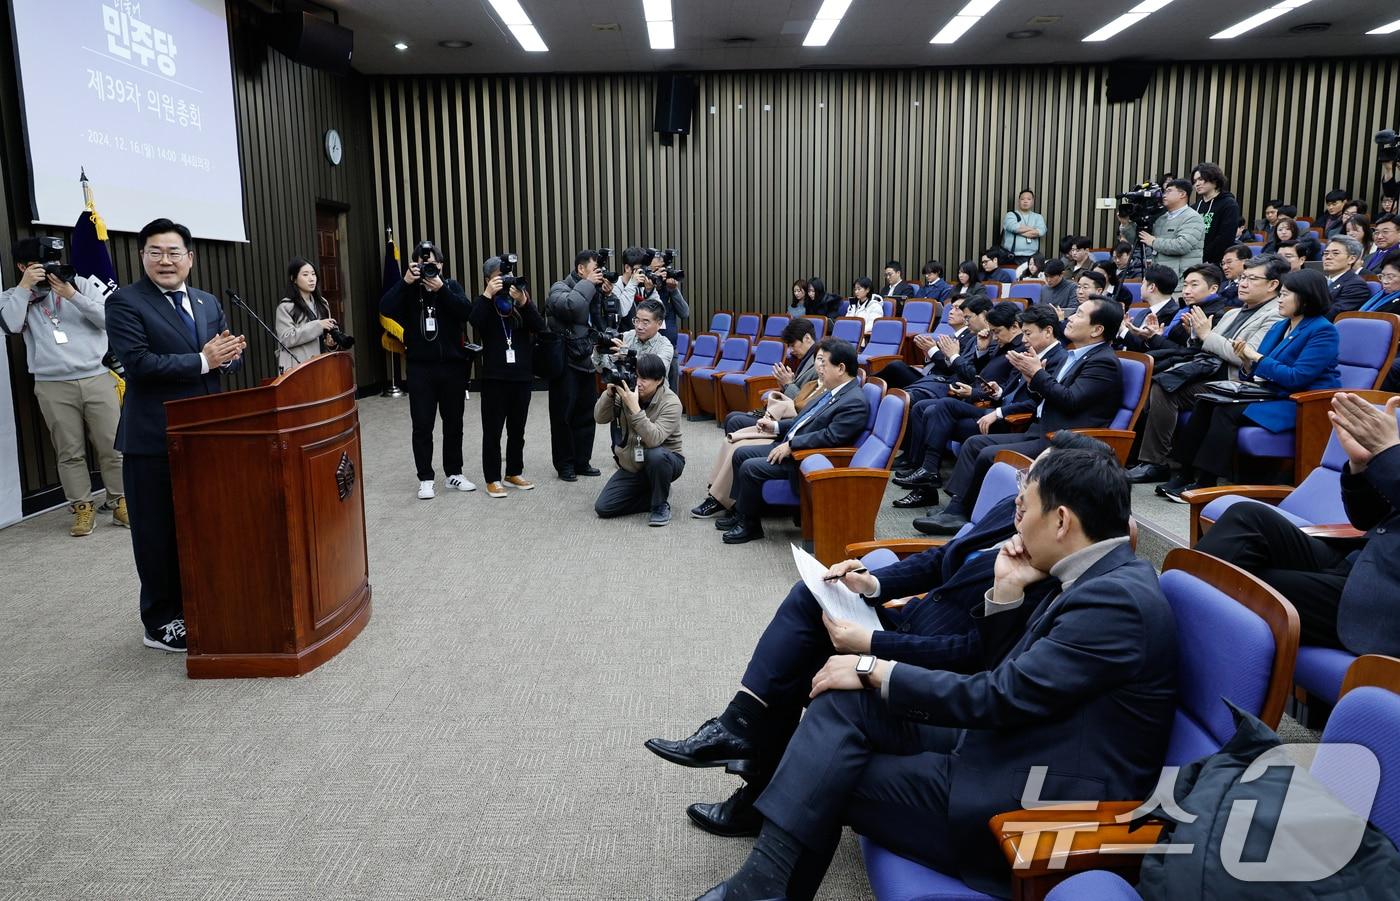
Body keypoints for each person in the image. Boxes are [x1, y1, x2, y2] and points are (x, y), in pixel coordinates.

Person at [689, 448, 1176, 901]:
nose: (1017, 522)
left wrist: (874, 667)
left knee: (832, 767)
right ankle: (765, 886)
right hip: (1012, 742)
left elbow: (1001, 694)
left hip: (1044, 802)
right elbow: (1012, 674)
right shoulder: (1093, 574)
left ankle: (762, 887)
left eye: (1024, 509)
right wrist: (1005, 593)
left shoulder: (1115, 602)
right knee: (842, 700)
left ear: (1063, 520)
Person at [647, 431, 1117, 839]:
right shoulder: (1011, 512)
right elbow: (941, 558)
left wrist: (870, 645)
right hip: (911, 621)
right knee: (810, 600)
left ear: (1059, 514)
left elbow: (976, 654)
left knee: (815, 667)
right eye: (1022, 483)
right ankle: (741, 725)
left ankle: (754, 784)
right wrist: (873, 585)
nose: (1019, 498)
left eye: (1029, 490)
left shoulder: (1052, 566)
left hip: (938, 661)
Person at [106, 218, 246, 652]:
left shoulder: (205, 301)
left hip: (204, 436)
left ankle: (197, 603)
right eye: (155, 252)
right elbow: (140, 365)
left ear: (190, 257)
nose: (165, 261)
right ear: (142, 256)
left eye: (173, 253)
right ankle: (160, 620)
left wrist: (229, 358)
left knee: (202, 525)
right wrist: (204, 361)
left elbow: (223, 359)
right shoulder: (126, 303)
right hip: (153, 439)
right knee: (157, 532)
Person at [1196, 392, 1400, 655]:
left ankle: (1158, 652)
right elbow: (1368, 519)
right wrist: (1361, 465)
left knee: (1240, 585)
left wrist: (1389, 455)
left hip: (1384, 598)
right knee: (1247, 516)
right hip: (1365, 558)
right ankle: (1162, 627)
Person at [916, 297, 1124, 535]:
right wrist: (1033, 379)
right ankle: (957, 509)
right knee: (975, 443)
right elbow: (1053, 394)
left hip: (1064, 440)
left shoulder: (1103, 362)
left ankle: (961, 513)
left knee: (986, 452)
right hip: (1040, 428)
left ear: (1097, 330)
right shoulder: (1075, 354)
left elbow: (1070, 400)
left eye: (1078, 315)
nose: (1070, 318)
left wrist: (1036, 374)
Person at [1162, 267, 1341, 499]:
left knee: (1225, 410)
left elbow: (1297, 377)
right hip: (1269, 393)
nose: (1280, 299)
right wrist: (1247, 362)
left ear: (1306, 297)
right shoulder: (1281, 326)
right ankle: (1184, 474)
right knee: (1206, 401)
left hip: (1301, 404)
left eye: (1286, 294)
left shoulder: (1323, 331)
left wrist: (1255, 357)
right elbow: (1256, 370)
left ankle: (1206, 483)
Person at [1, 237, 124, 535]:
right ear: (22, 266)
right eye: (40, 265)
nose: (50, 269)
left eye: (54, 261)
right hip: (52, 384)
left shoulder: (82, 283)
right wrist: (24, 287)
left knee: (113, 445)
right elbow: (10, 325)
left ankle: (120, 500)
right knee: (69, 451)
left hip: (96, 376)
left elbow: (110, 320)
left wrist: (72, 295)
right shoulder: (15, 295)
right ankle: (82, 507)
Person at [1127, 255, 1287, 485]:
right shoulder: (1234, 312)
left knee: (1166, 387)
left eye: (1251, 278)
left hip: (1234, 379)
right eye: (1242, 278)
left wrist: (1205, 334)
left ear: (1273, 285)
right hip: (1209, 370)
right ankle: (1148, 459)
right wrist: (1195, 334)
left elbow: (1245, 354)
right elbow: (1205, 348)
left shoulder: (1274, 315)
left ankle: (1156, 463)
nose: (1242, 283)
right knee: (1157, 379)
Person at [892, 304, 1065, 509]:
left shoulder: (1030, 352)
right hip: (993, 403)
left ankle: (931, 483)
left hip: (1007, 417)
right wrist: (996, 388)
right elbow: (994, 380)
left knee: (936, 413)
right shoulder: (1016, 347)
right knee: (932, 410)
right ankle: (926, 474)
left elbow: (1034, 400)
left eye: (997, 331)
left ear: (1015, 327)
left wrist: (996, 406)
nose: (1025, 339)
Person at [720, 338, 869, 544]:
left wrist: (792, 445)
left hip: (804, 458)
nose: (820, 368)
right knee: (741, 453)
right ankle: (742, 513)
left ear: (841, 368)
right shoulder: (832, 391)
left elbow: (831, 437)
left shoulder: (854, 401)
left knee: (750, 467)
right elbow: (804, 421)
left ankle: (750, 525)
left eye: (824, 363)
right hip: (790, 445)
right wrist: (776, 427)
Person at [691, 319, 821, 519]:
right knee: (733, 420)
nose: (790, 350)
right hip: (784, 417)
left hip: (791, 424)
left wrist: (787, 384)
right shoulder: (809, 362)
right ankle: (723, 490)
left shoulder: (818, 367)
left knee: (735, 427)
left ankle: (724, 497)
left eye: (792, 344)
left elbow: (803, 404)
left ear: (807, 338)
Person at [380, 240, 475, 499]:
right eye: (423, 264)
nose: (429, 268)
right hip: (420, 368)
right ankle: (425, 477)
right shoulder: (409, 290)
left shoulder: (451, 286)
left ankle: (454, 473)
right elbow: (385, 308)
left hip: (452, 367)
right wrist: (406, 281)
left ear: (441, 265)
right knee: (422, 425)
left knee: (453, 423)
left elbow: (466, 311)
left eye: (433, 263)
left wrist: (442, 289)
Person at [470, 256, 546, 498]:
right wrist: (487, 294)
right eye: (497, 278)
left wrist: (523, 301)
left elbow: (539, 327)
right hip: (494, 377)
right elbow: (474, 321)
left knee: (517, 429)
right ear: (487, 279)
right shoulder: (485, 303)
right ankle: (492, 478)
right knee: (492, 430)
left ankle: (513, 471)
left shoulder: (517, 302)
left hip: (522, 376)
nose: (503, 282)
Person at [591, 353, 683, 526]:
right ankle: (657, 492)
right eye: (637, 376)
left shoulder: (671, 402)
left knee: (655, 455)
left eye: (645, 379)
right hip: (633, 464)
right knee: (604, 507)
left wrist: (635, 408)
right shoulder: (627, 392)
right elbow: (599, 418)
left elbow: (654, 439)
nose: (638, 383)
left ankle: (659, 505)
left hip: (667, 461)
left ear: (659, 380)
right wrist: (609, 395)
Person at [545, 250, 604, 482]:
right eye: (594, 269)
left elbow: (598, 322)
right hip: (565, 362)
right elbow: (571, 307)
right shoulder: (559, 288)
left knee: (586, 414)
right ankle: (565, 464)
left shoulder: (593, 290)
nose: (597, 275)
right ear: (581, 269)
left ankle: (582, 461)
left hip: (586, 359)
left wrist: (601, 293)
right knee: (563, 416)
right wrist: (589, 286)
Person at [1126, 179, 1205, 279]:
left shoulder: (1192, 217)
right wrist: (1126, 224)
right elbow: (1139, 240)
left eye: (1169, 191)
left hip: (1180, 281)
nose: (1164, 195)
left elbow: (1182, 246)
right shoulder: (1162, 218)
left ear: (1182, 194)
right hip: (1161, 278)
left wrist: (1154, 242)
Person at [274, 257, 338, 373]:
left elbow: (324, 338)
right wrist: (318, 325)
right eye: (305, 275)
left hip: (321, 366)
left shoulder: (322, 303)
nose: (311, 279)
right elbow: (286, 338)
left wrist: (330, 344)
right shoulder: (286, 307)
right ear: (294, 279)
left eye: (313, 274)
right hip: (296, 368)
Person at [1191, 162, 1242, 265]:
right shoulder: (1194, 207)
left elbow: (1225, 239)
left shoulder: (1229, 204)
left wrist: (1202, 257)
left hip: (1216, 263)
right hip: (1193, 260)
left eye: (1201, 179)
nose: (1197, 184)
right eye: (1195, 181)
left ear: (1214, 180)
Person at [1321, 235, 1373, 319]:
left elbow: (1333, 314)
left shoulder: (1356, 285)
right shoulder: (1320, 281)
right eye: (1326, 253)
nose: (1328, 257)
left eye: (1335, 253)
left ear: (1351, 259)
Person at [1001, 188, 1046, 263]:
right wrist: (1033, 229)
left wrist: (1018, 231)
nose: (1025, 201)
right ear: (1019, 201)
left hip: (1032, 257)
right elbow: (1014, 228)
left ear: (1032, 202)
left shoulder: (1038, 217)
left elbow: (1041, 231)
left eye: (1029, 199)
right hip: (1012, 256)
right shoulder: (1010, 215)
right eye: (1022, 199)